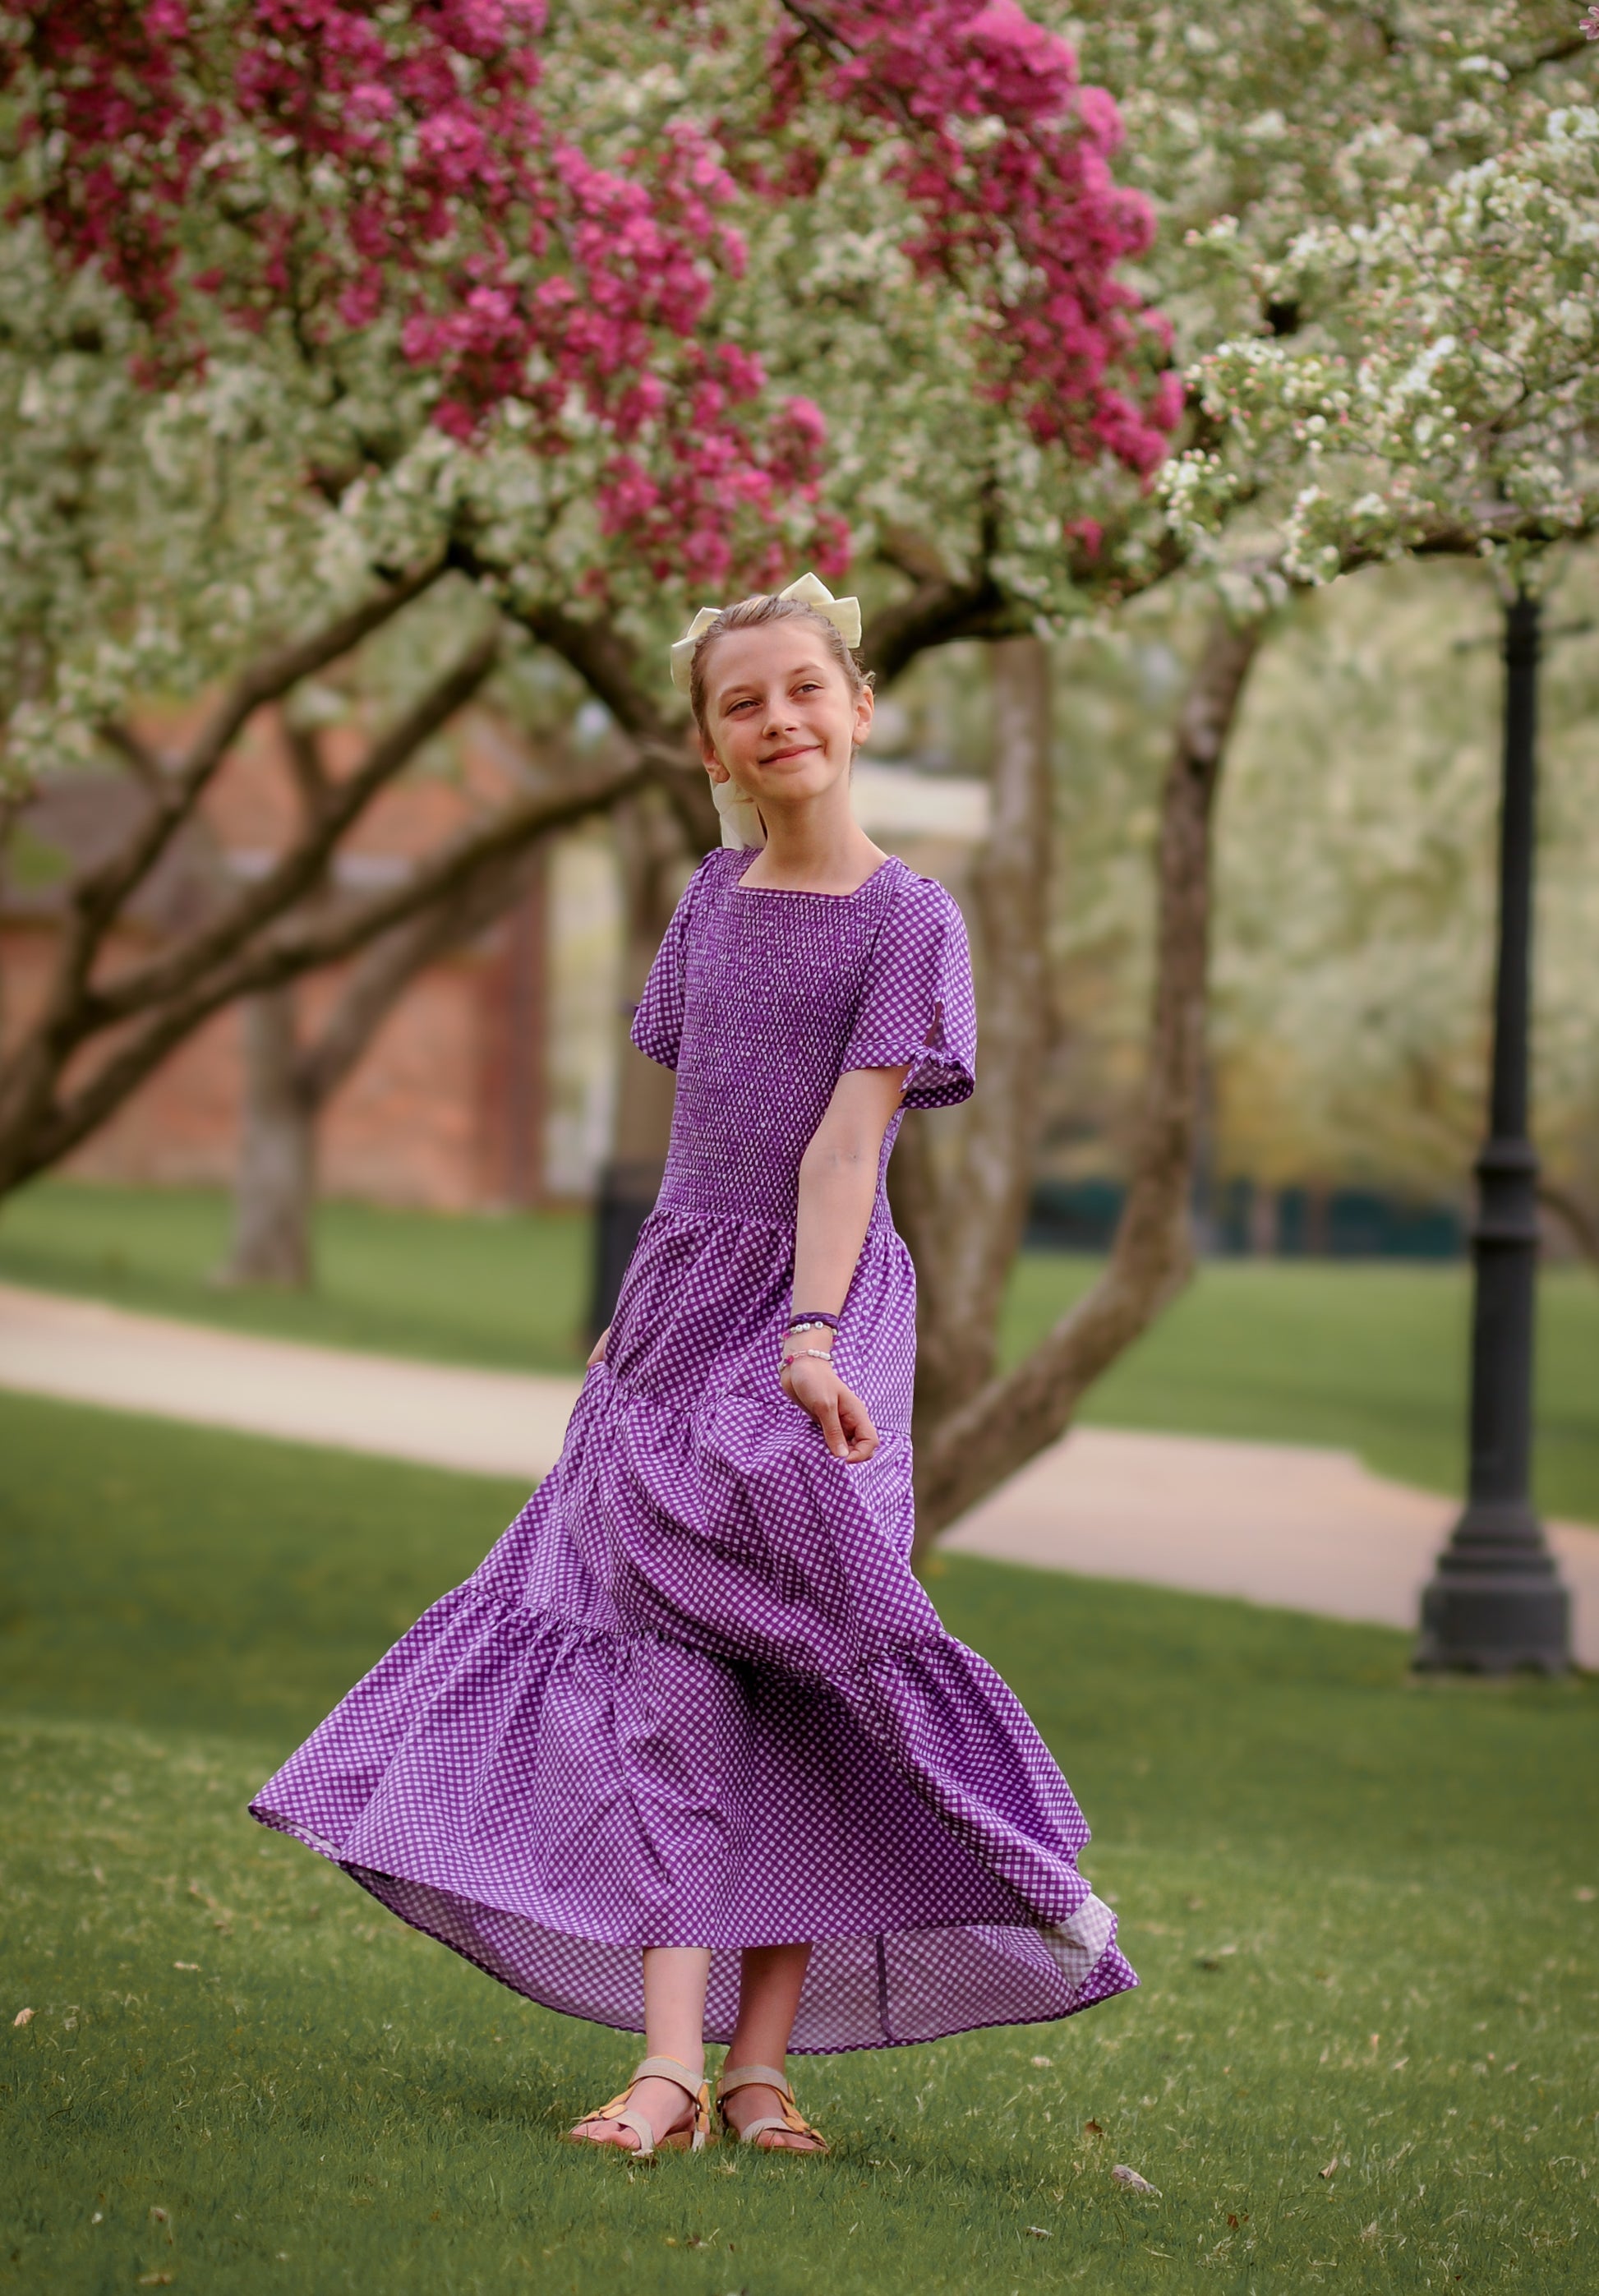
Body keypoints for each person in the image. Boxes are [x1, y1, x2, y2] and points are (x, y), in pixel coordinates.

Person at [251, 571, 1135, 2160]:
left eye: (805, 688)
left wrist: (801, 1335)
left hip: (823, 1313)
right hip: (682, 1304)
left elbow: (842, 1151)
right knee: (662, 1677)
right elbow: (697, 1129)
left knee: (811, 1668)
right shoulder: (704, 903)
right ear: (708, 747)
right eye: (743, 702)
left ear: (859, 706)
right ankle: (669, 2064)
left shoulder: (912, 917)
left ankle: (770, 2065)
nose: (778, 719)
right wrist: (646, 1304)